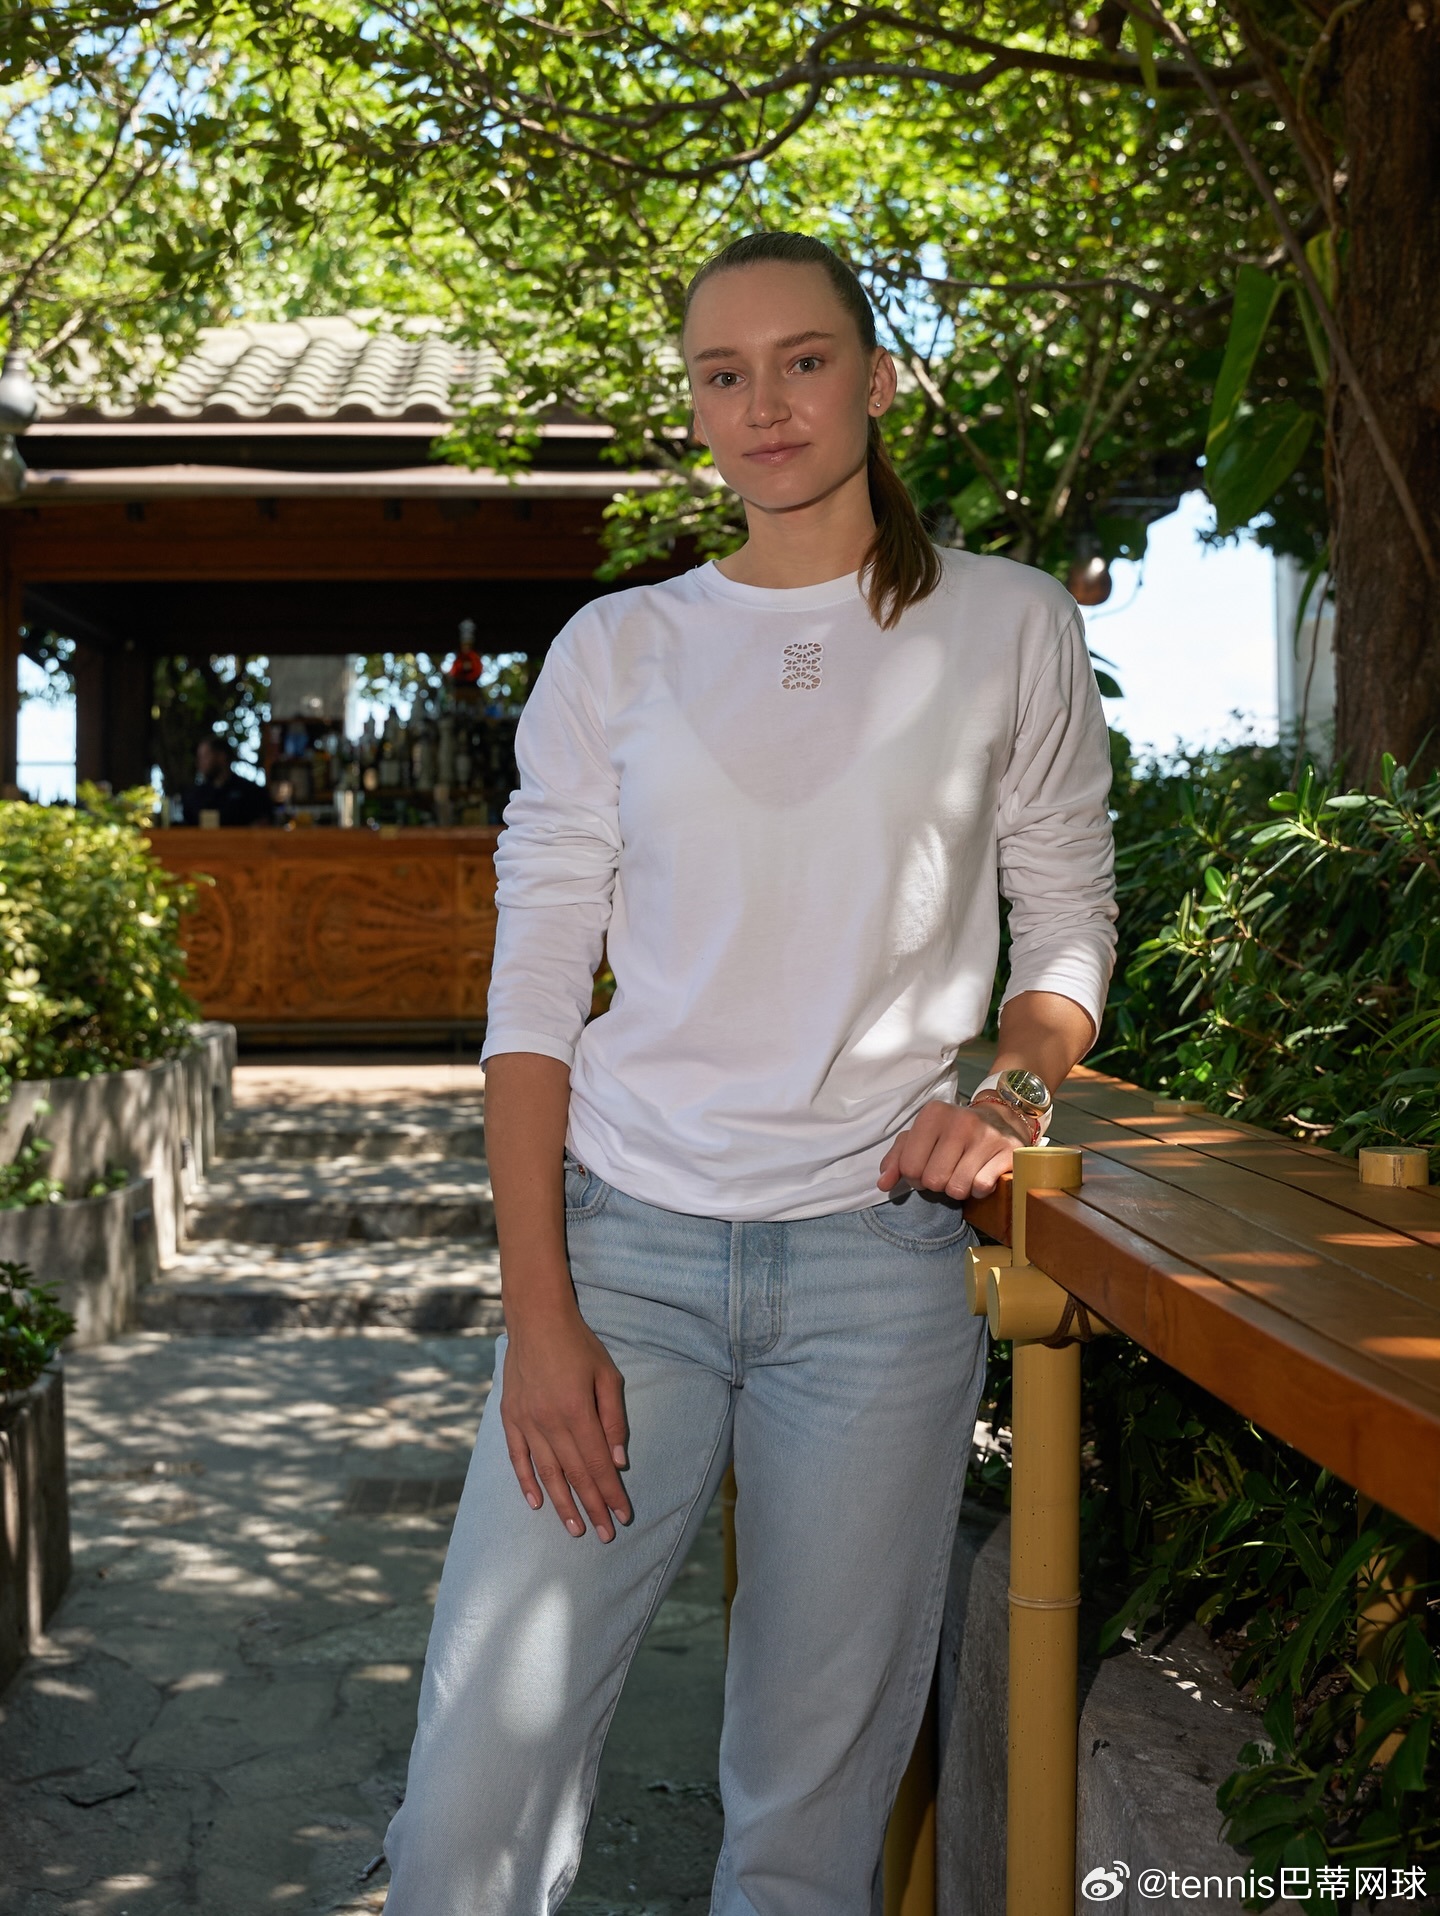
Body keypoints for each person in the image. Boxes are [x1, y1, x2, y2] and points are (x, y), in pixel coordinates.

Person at [382, 231, 1117, 1915]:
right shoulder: (617, 649)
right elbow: (533, 996)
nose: (765, 403)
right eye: (725, 373)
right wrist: (540, 1313)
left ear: (875, 378)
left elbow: (1068, 919)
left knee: (805, 1826)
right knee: (470, 1806)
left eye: (803, 360)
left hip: (880, 1276)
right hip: (626, 1258)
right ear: (696, 406)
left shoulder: (1008, 623)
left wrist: (1009, 1098)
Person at [180, 733, 272, 827]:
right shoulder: (195, 796)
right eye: (199, 758)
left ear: (222, 756)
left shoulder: (251, 792)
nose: (200, 763)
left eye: (205, 756)